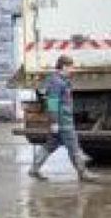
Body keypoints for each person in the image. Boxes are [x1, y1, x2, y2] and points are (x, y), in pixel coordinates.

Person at [30, 55, 97, 183]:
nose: (72, 70)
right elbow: (53, 103)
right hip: (63, 121)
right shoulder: (57, 82)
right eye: (71, 67)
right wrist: (55, 122)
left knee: (50, 145)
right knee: (74, 146)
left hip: (62, 120)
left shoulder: (61, 80)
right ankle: (83, 173)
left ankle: (34, 169)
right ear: (64, 66)